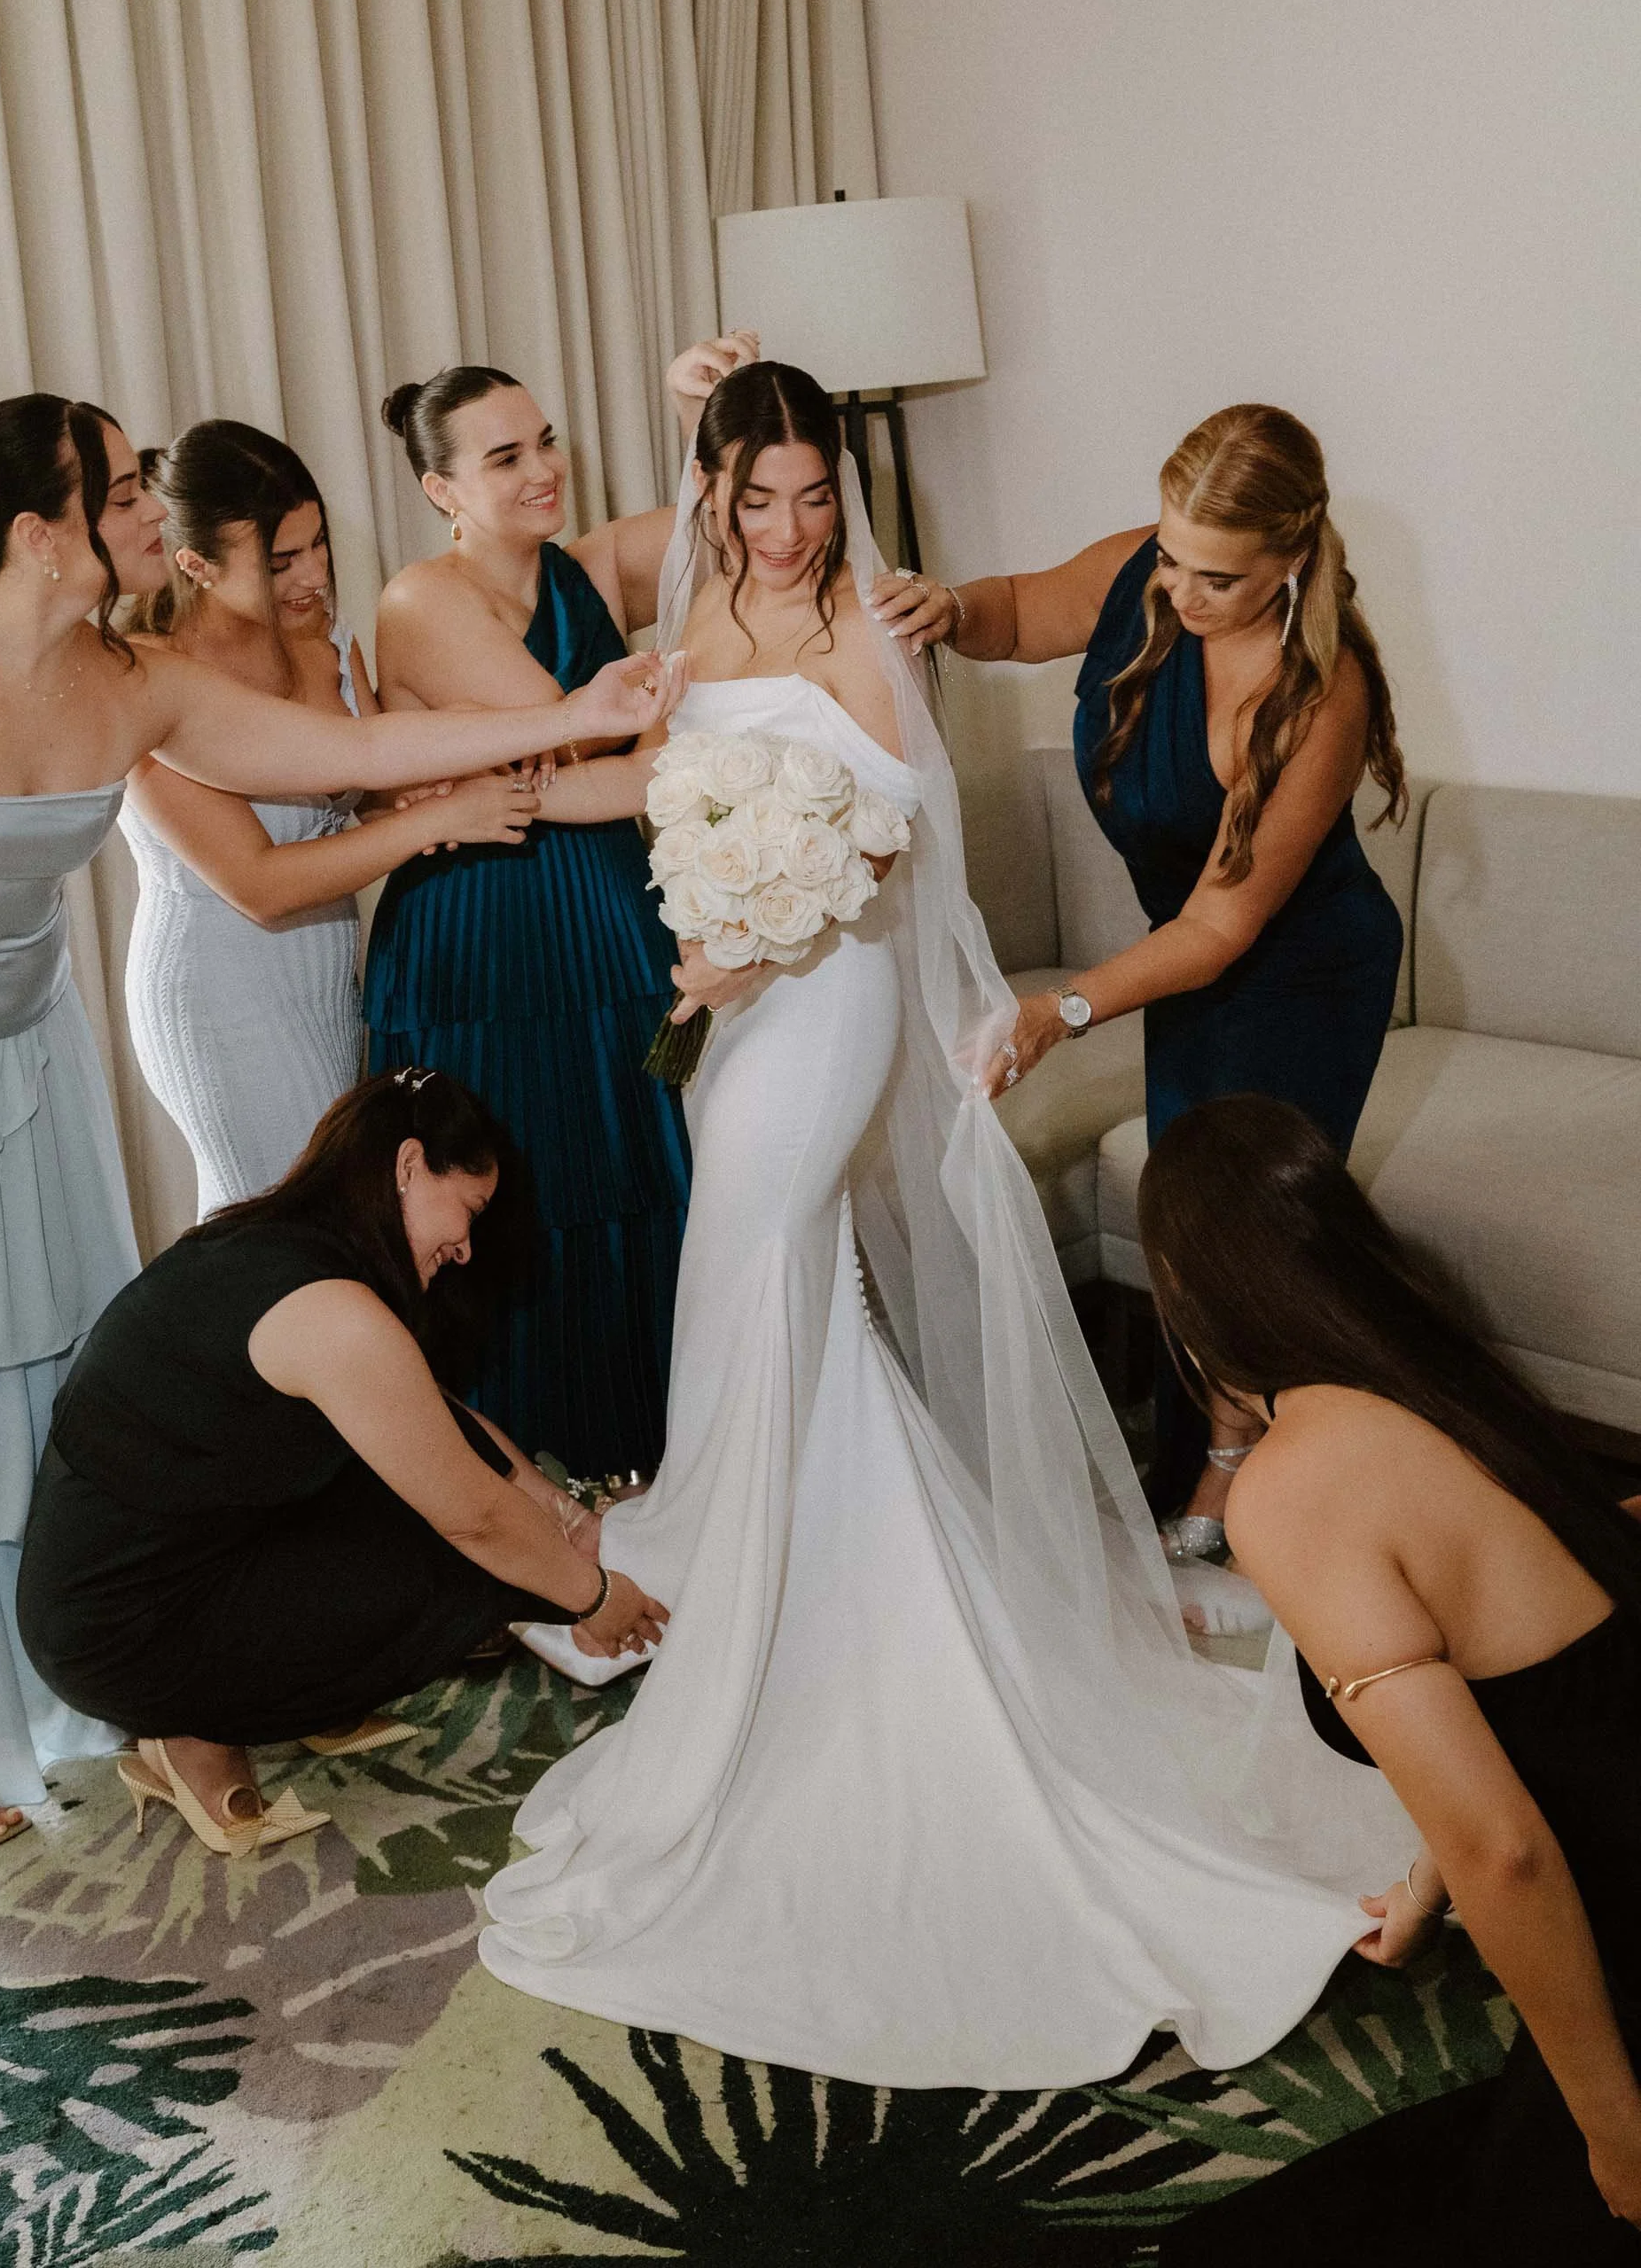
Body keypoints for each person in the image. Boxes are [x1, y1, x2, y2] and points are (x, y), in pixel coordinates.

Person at [477, 361, 1411, 2088]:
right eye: (756, 497)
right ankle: (790, 1596)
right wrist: (525, 801)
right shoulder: (691, 597)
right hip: (732, 1003)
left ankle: (731, 1588)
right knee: (762, 1287)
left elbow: (901, 832)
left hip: (827, 1005)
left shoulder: (871, 626)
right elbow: (666, 772)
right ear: (709, 494)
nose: (791, 525)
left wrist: (784, 922)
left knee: (758, 1260)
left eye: (816, 493)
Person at [0, 394, 684, 1854]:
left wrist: (582, 713)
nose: (146, 510)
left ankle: (156, 1674)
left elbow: (331, 762)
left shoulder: (133, 684)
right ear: (39, 535)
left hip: (27, 1051)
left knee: (43, 1372)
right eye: (120, 491)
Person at [873, 406, 1407, 1555]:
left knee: (1254, 1244)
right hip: (1191, 962)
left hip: (1299, 975)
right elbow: (1015, 613)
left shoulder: (1318, 689)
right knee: (1182, 1228)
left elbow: (1224, 922)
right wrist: (949, 608)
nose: (1177, 589)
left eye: (1215, 575)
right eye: (1169, 554)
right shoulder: (1146, 575)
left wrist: (1057, 1011)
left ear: (1293, 562)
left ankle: (1279, 1496)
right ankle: (1218, 1458)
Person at [1135, 1095, 1641, 2263]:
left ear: (1189, 1302)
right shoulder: (1440, 1374)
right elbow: (1555, 1664)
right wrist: (1424, 1879)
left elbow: (1507, 1850)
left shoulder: (1292, 1485)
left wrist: (1613, 2130)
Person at [17, 1071, 668, 1855]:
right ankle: (191, 1728)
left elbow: (439, 1417)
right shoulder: (331, 1310)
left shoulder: (282, 1248)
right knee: (461, 1555)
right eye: (470, 1210)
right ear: (408, 1165)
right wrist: (589, 1596)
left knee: (434, 1495)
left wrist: (561, 1514)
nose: (465, 1247)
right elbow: (476, 1517)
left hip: (142, 1576)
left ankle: (285, 1692)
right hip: (124, 1631)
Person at [363, 359, 733, 1477]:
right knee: (510, 1205)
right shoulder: (423, 600)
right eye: (505, 456)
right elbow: (582, 755)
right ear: (441, 491)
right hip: (482, 938)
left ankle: (655, 1467)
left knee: (637, 1177)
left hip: (605, 915)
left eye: (546, 440)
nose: (544, 469)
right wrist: (678, 737)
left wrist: (695, 412)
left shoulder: (587, 567)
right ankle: (528, 1490)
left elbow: (736, 528)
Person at [121, 421, 537, 1217]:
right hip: (219, 982)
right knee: (279, 1219)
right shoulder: (150, 680)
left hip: (324, 974)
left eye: (317, 545)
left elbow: (371, 786)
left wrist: (437, 783)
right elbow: (260, 883)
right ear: (196, 563)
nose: (314, 574)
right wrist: (442, 816)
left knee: (336, 1214)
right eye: (281, 561)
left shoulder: (326, 646)